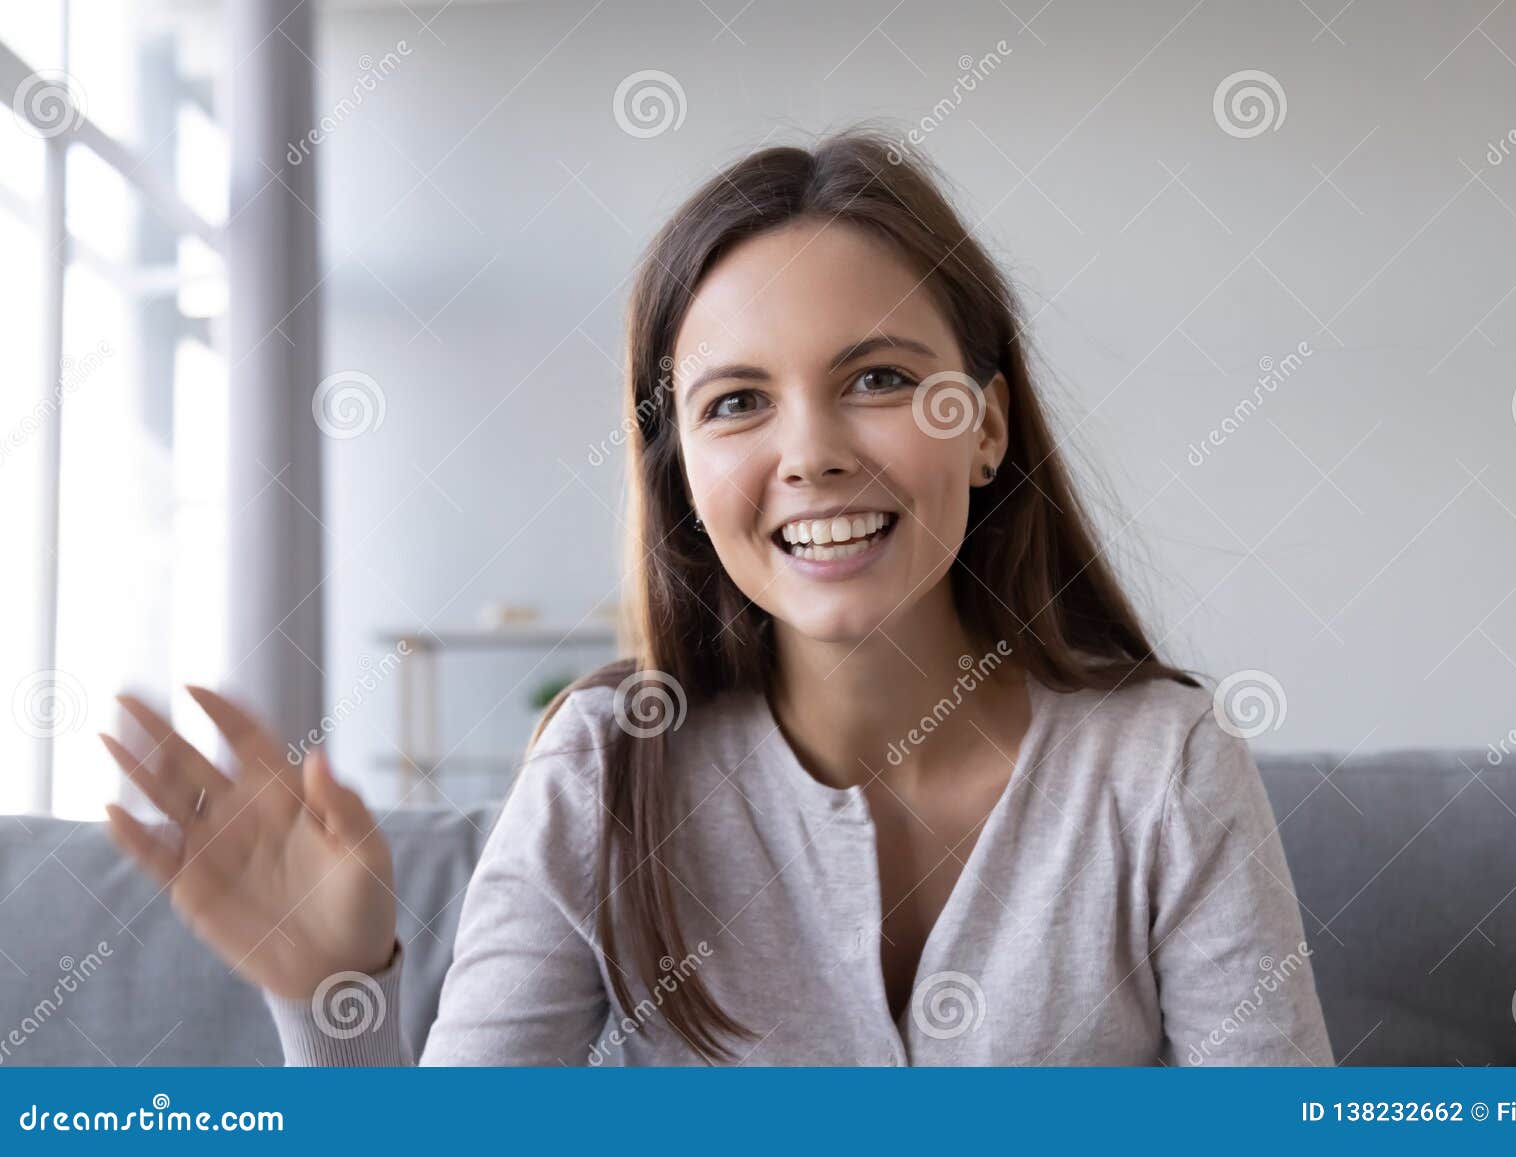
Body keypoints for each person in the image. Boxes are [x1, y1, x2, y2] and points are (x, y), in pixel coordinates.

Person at [102, 128, 1334, 1067]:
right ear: (683, 470)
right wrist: (339, 993)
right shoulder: (603, 764)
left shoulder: (1163, 766)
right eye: (736, 401)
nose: (812, 453)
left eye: (879, 377)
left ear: (985, 425)